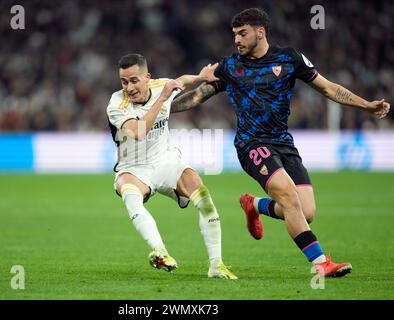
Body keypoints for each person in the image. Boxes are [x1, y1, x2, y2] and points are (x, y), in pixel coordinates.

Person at [171, 8, 390, 277]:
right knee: (288, 195)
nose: (237, 40)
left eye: (243, 33)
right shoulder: (229, 66)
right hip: (251, 144)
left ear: (260, 32)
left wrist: (366, 105)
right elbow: (196, 97)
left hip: (283, 143)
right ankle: (320, 263)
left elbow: (329, 88)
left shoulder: (289, 58)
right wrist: (161, 109)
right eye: (234, 35)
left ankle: (255, 205)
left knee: (305, 212)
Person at [106, 53, 237, 279]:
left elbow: (182, 81)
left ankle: (216, 265)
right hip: (134, 168)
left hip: (165, 161)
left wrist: (200, 77)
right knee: (130, 194)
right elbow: (138, 132)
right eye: (124, 81)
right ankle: (160, 251)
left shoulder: (162, 85)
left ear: (147, 77)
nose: (129, 87)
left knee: (202, 194)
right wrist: (163, 97)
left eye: (134, 80)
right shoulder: (117, 104)